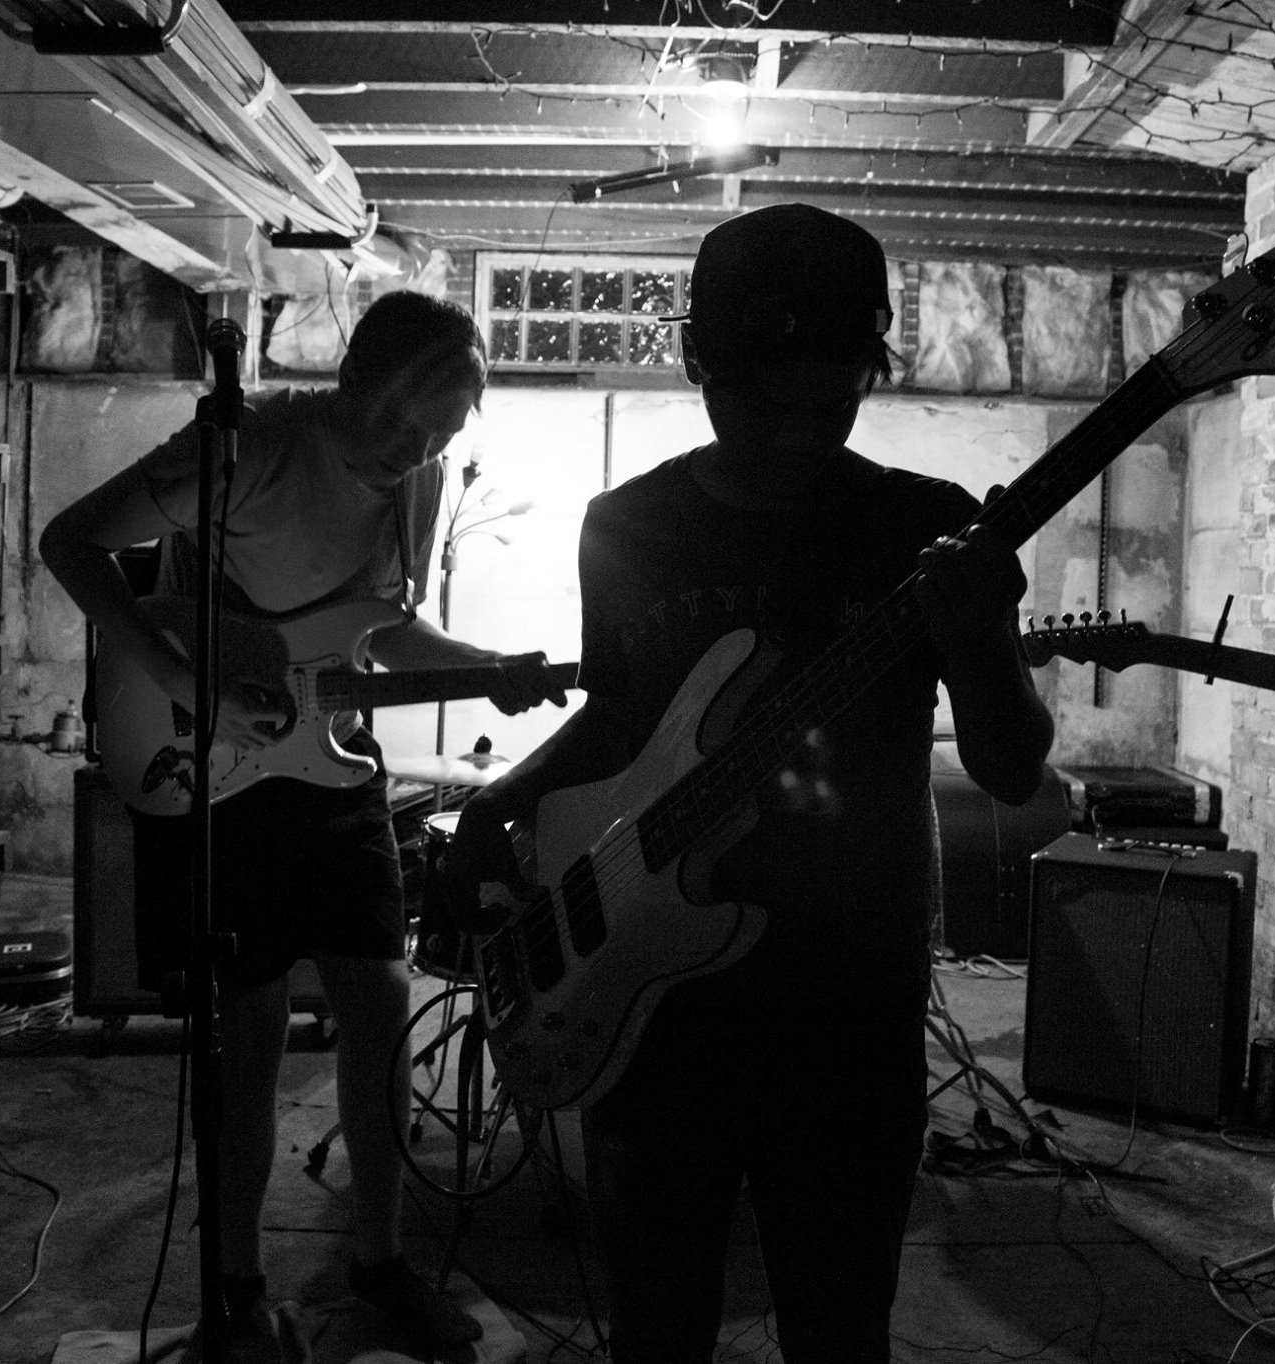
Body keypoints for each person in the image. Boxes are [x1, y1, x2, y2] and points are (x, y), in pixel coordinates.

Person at [449, 203, 1054, 1362]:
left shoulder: (924, 525)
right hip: (654, 1000)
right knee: (655, 1325)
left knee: (838, 1327)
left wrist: (980, 638)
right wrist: (500, 796)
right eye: (763, 403)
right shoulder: (626, 524)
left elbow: (1010, 764)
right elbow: (618, 718)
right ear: (695, 361)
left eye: (834, 402)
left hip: (849, 999)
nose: (796, 436)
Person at [39, 290, 566, 1361]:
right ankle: (235, 1289)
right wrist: (183, 677)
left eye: (441, 432)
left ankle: (380, 1261)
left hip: (332, 766)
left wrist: (486, 667)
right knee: (251, 1023)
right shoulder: (255, 446)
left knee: (382, 998)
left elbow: (378, 629)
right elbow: (70, 543)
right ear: (352, 381)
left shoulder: (418, 483)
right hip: (215, 762)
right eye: (401, 420)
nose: (414, 448)